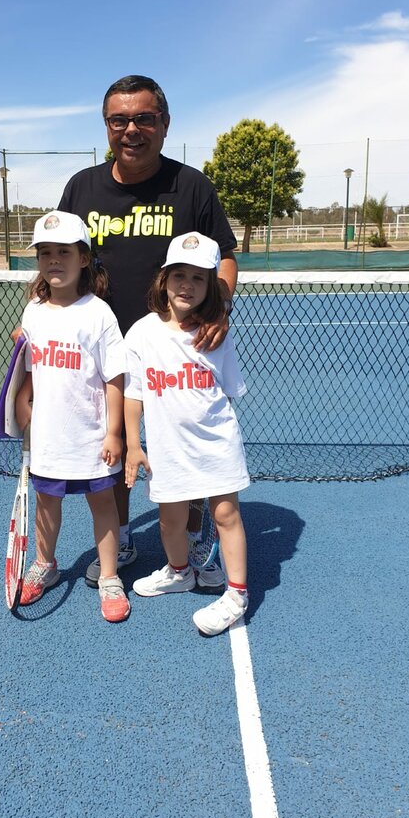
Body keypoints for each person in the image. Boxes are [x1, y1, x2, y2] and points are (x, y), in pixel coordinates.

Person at [58, 74, 238, 590]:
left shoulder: (192, 185)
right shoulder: (82, 187)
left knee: (189, 444)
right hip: (103, 349)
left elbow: (225, 257)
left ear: (164, 123)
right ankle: (120, 536)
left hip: (175, 349)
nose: (131, 129)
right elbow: (61, 258)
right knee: (112, 449)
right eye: (119, 120)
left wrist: (219, 306)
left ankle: (196, 536)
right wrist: (40, 318)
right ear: (106, 126)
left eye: (144, 118)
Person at [124, 231, 250, 636]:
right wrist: (132, 444)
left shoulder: (216, 336)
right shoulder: (142, 332)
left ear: (212, 285)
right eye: (179, 274)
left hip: (217, 445)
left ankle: (237, 594)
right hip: (167, 451)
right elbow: (133, 394)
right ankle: (179, 572)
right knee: (170, 521)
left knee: (226, 514)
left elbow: (227, 394)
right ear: (164, 279)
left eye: (198, 278)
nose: (187, 285)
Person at [14, 210, 130, 623]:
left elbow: (115, 378)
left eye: (64, 251)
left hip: (90, 436)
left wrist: (114, 432)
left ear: (83, 258)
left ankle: (110, 576)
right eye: (45, 252)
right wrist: (22, 401)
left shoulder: (99, 314)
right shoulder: (33, 311)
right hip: (48, 437)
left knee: (103, 504)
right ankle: (45, 564)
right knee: (46, 503)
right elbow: (29, 368)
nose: (54, 260)